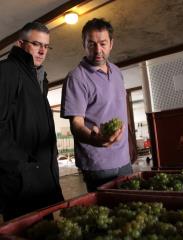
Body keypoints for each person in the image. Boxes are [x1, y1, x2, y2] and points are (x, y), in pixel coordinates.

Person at [0, 22, 63, 221]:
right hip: (22, 183)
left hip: (42, 179)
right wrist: (25, 166)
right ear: (20, 43)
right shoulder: (7, 71)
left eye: (46, 46)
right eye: (36, 44)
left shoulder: (39, 79)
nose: (42, 51)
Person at [61, 18, 132, 192]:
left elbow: (121, 109)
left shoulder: (116, 71)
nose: (98, 50)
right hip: (98, 164)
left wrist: (130, 142)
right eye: (91, 44)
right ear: (84, 44)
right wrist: (96, 139)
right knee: (107, 215)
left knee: (130, 206)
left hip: (124, 158)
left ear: (111, 44)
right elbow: (76, 125)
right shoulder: (76, 78)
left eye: (103, 43)